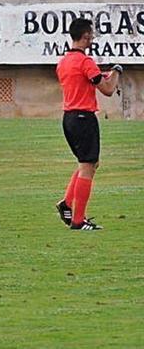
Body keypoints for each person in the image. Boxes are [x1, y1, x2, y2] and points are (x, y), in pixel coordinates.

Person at [55, 18, 121, 231]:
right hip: (83, 117)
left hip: (69, 118)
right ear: (84, 36)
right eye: (91, 36)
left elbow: (85, 80)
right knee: (87, 166)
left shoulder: (64, 61)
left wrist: (103, 76)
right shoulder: (85, 61)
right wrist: (117, 72)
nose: (92, 39)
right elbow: (108, 89)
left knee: (89, 163)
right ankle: (78, 220)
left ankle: (66, 203)